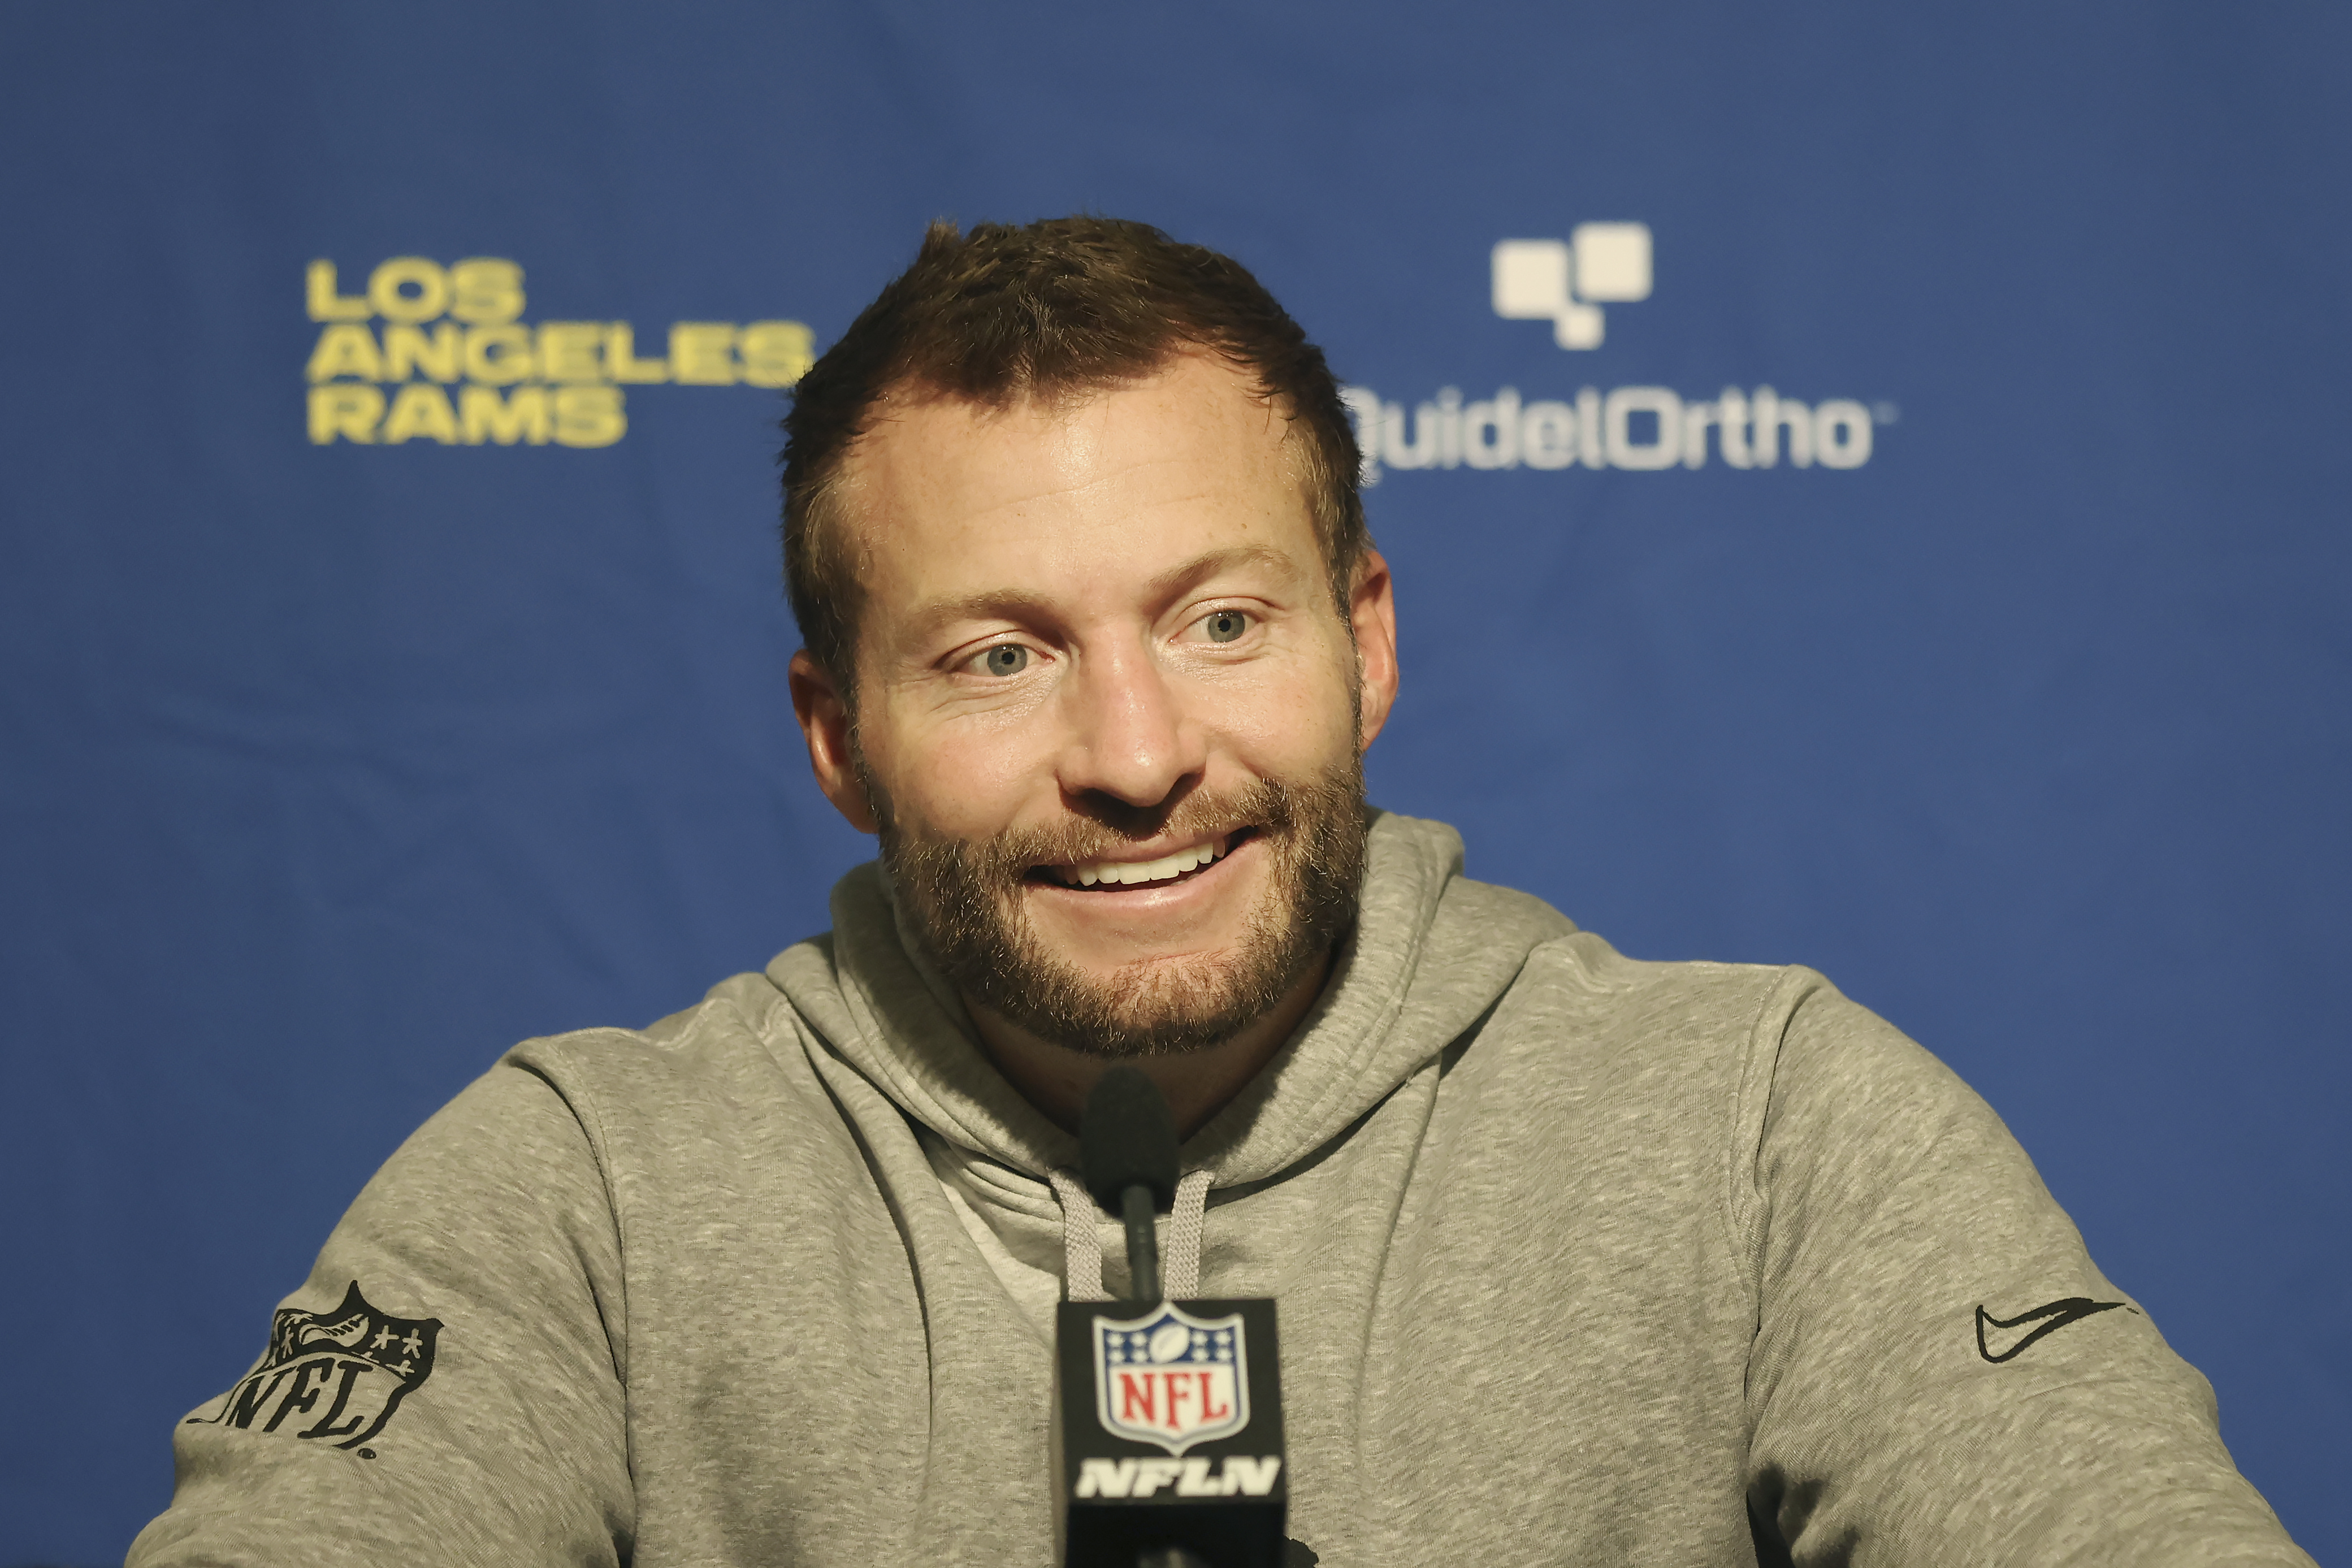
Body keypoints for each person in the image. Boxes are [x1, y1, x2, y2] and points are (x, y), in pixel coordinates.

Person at [131, 217, 2312, 1567]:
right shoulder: (580, 1197)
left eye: (1218, 622)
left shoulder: (1759, 1131)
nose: (1138, 753)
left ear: (1362, 638)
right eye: (998, 656)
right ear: (834, 734)